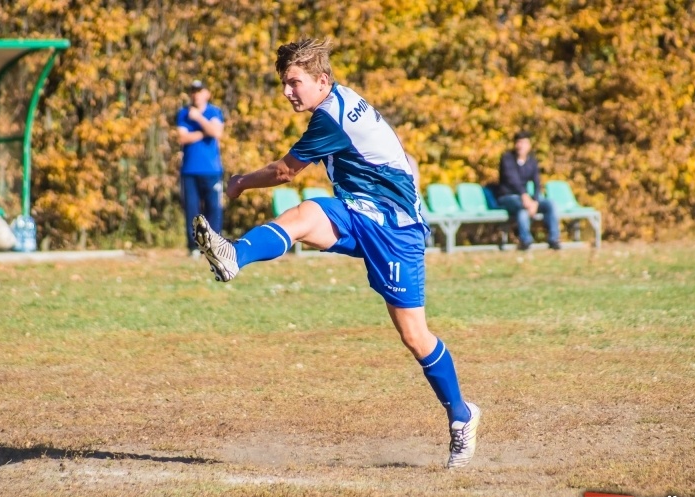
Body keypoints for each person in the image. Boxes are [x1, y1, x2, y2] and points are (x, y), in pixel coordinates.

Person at [192, 38, 480, 468]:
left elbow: (284, 171)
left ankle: (461, 415)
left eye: (295, 83)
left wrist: (239, 183)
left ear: (321, 80)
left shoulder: (331, 117)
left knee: (415, 336)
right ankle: (233, 255)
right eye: (285, 84)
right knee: (306, 215)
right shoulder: (341, 101)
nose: (288, 92)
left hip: (395, 229)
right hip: (358, 212)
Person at [176, 79, 225, 257]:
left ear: (207, 93)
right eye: (193, 91)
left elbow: (217, 133)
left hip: (212, 170)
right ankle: (194, 247)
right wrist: (205, 131)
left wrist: (198, 119)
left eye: (199, 91)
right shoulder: (183, 113)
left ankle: (214, 245)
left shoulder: (214, 111)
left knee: (214, 208)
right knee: (192, 210)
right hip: (189, 170)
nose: (196, 94)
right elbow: (182, 138)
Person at [497, 131, 561, 250]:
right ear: (515, 144)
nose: (521, 146)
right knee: (523, 207)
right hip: (508, 197)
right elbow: (512, 180)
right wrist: (524, 196)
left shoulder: (532, 161)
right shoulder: (507, 159)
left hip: (526, 199)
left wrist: (535, 200)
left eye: (525, 143)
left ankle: (554, 239)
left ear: (529, 145)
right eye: (519, 142)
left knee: (550, 204)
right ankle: (526, 240)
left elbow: (537, 182)